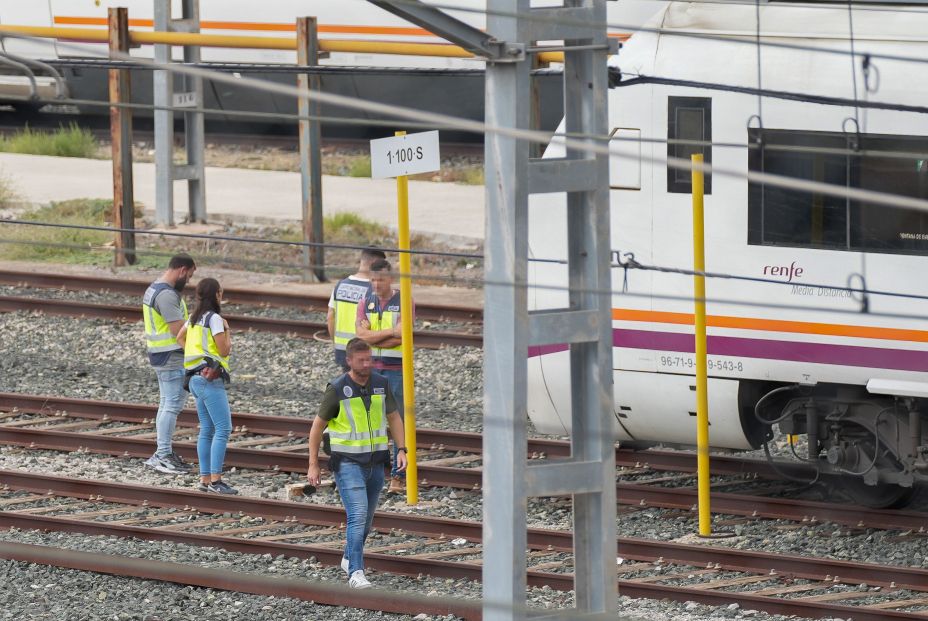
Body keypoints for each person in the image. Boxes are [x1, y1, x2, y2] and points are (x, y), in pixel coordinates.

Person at [306, 338, 407, 589]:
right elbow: (317, 427)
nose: (367, 364)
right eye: (361, 360)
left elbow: (394, 418)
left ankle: (349, 557)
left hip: (376, 464)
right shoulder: (337, 389)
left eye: (369, 359)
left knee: (367, 521)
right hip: (347, 463)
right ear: (348, 361)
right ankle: (356, 572)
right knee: (358, 515)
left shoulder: (381, 385)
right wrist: (313, 464)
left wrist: (402, 449)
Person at [355, 258, 413, 495]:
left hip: (396, 370)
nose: (376, 284)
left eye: (380, 279)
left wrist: (373, 334)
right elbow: (360, 336)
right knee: (371, 421)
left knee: (398, 422)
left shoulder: (403, 301)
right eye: (373, 279)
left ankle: (399, 476)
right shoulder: (365, 301)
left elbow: (403, 337)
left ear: (391, 279)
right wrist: (389, 332)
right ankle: (374, 473)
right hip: (371, 370)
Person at [176, 278, 237, 495]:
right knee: (223, 428)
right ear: (217, 294)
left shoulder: (194, 318)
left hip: (194, 379)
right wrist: (228, 331)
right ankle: (216, 480)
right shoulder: (216, 319)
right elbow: (223, 351)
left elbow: (179, 337)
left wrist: (197, 359)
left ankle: (204, 479)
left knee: (207, 429)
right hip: (210, 380)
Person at [141, 253, 197, 475]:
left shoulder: (154, 288)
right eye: (190, 276)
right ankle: (162, 455)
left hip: (162, 355)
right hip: (171, 357)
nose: (189, 281)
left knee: (167, 404)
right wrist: (198, 353)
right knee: (171, 405)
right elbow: (179, 333)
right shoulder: (166, 295)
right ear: (182, 270)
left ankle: (163, 453)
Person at [327, 247, 387, 370]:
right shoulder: (374, 291)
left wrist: (335, 343)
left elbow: (330, 317)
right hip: (365, 352)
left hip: (343, 350)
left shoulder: (340, 285)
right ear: (373, 263)